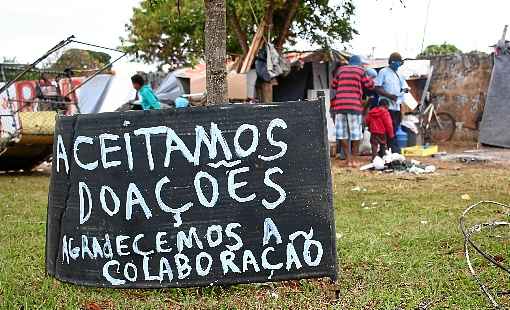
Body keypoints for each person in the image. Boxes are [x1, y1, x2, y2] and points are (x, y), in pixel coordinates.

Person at [330, 55, 374, 167]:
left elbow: (333, 85)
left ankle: (348, 159)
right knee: (356, 134)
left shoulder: (340, 70)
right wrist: (371, 79)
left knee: (342, 133)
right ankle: (354, 160)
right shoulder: (360, 70)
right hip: (354, 106)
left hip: (339, 106)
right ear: (359, 63)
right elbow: (369, 85)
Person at [374, 52, 409, 154]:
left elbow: (404, 87)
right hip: (385, 106)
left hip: (396, 106)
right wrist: (390, 96)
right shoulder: (383, 72)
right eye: (398, 62)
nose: (399, 65)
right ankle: (387, 150)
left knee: (394, 128)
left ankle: (391, 150)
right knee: (385, 129)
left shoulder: (399, 74)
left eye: (400, 63)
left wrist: (405, 90)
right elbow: (377, 87)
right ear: (392, 62)